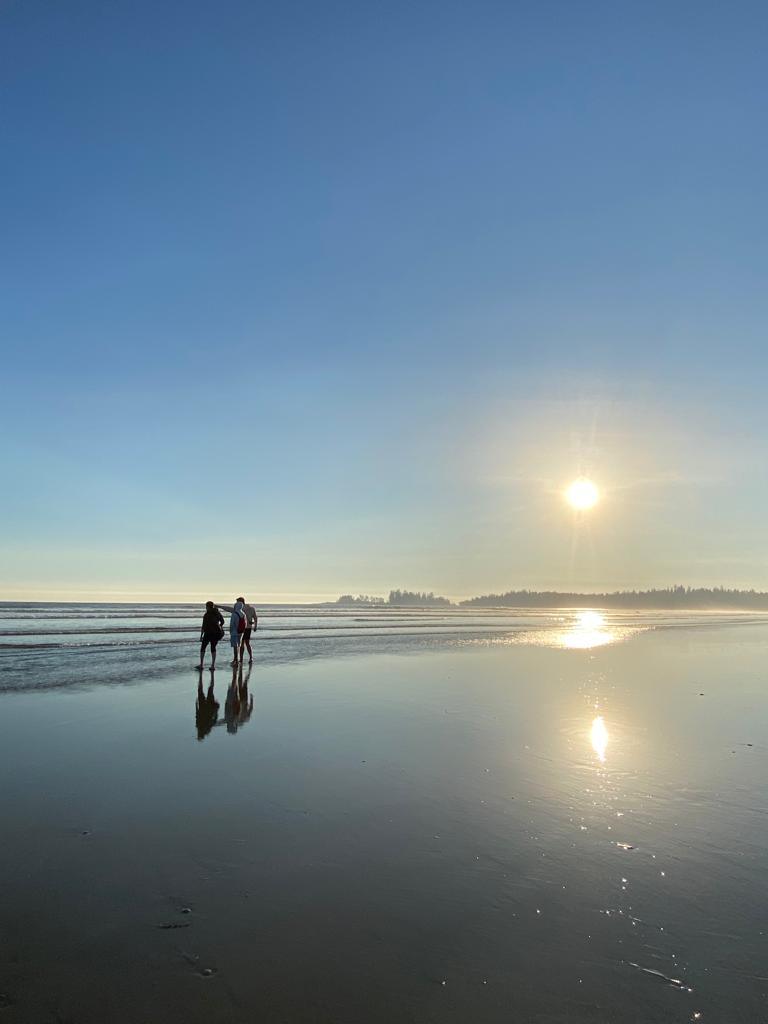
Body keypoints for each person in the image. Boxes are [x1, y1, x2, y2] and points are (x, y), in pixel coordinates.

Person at [196, 600, 224, 670]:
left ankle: (201, 665)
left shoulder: (207, 615)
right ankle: (212, 665)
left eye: (206, 606)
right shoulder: (217, 613)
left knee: (203, 648)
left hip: (208, 633)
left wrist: (201, 636)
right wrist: (219, 626)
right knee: (213, 648)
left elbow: (203, 626)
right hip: (216, 633)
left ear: (208, 607)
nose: (206, 608)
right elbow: (223, 621)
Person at [219, 598, 246, 667]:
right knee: (238, 645)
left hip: (234, 632)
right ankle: (236, 659)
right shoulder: (243, 613)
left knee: (234, 646)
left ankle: (236, 660)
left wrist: (230, 631)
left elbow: (232, 624)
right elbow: (245, 623)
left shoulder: (234, 613)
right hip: (241, 632)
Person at [240, 599, 258, 664]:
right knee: (247, 643)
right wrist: (255, 626)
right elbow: (255, 618)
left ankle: (241, 659)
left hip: (242, 628)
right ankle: (250, 657)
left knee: (241, 643)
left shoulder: (240, 609)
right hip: (248, 628)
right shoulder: (251, 608)